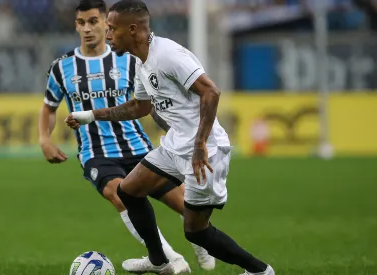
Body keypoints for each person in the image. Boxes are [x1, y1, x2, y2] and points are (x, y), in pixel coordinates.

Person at [65, 0, 275, 274]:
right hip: (176, 145)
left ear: (132, 30)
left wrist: (200, 144)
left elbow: (211, 92)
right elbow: (139, 107)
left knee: (196, 232)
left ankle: (259, 270)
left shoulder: (168, 55)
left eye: (111, 29)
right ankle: (158, 260)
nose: (107, 36)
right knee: (128, 190)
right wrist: (91, 115)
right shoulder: (141, 60)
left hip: (206, 151)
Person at [38, 0, 215, 273]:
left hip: (137, 146)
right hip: (96, 152)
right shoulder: (62, 68)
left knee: (184, 202)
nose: (87, 29)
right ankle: (167, 259)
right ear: (75, 26)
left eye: (94, 22)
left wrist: (177, 131)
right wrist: (45, 139)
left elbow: (148, 103)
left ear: (106, 23)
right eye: (81, 23)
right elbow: (49, 107)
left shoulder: (129, 59)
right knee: (120, 195)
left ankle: (201, 242)